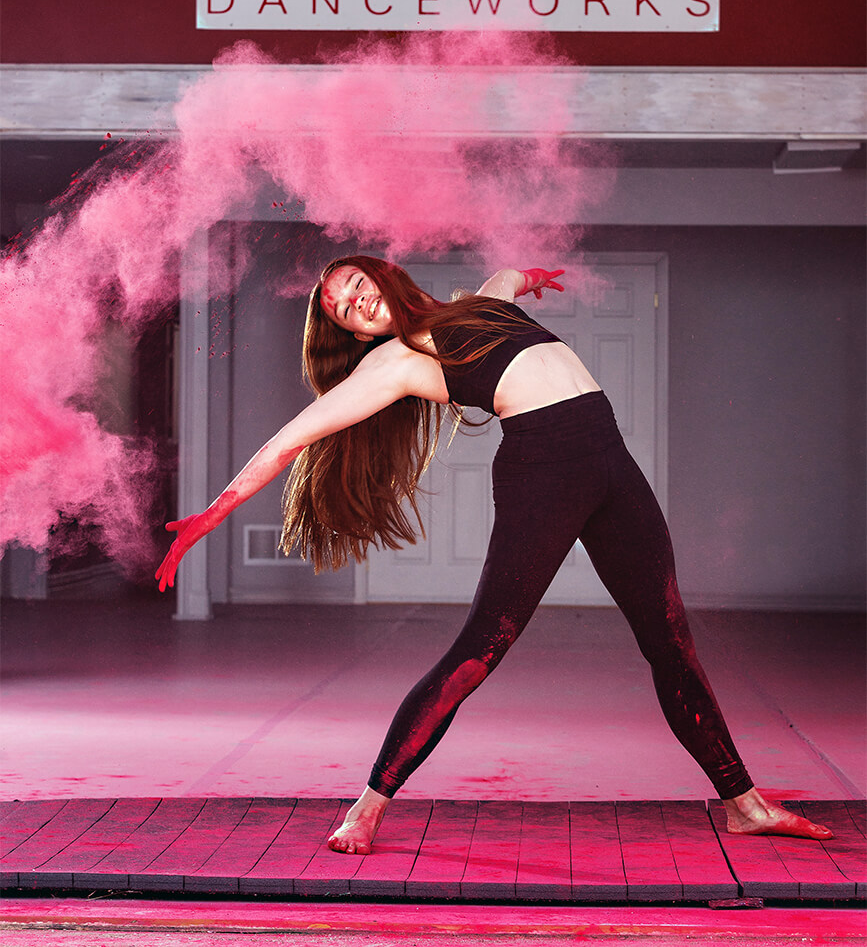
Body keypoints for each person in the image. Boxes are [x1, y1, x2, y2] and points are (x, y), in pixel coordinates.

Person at [156, 255, 833, 853]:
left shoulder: (479, 307)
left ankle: (744, 805)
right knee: (479, 650)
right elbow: (288, 440)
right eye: (343, 311)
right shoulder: (393, 362)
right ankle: (368, 806)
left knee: (671, 637)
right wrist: (211, 514)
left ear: (384, 274)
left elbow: (505, 278)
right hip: (543, 475)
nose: (355, 303)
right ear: (356, 335)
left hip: (611, 465)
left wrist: (532, 277)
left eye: (356, 284)